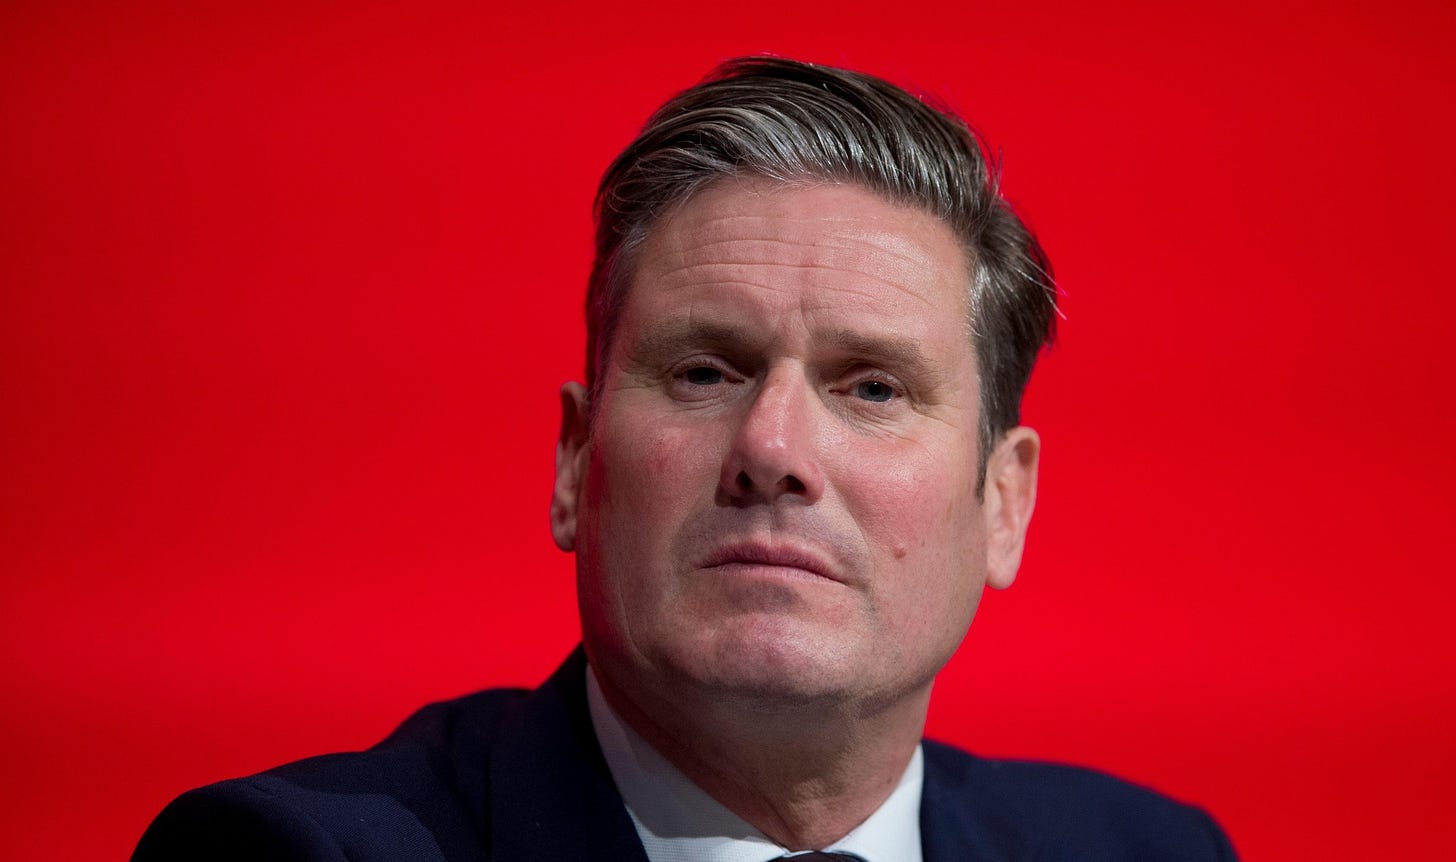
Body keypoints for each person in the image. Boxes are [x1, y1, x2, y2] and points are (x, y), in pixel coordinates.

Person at [134, 56, 1237, 861]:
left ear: (1004, 504)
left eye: (871, 387)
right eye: (707, 371)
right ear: (576, 460)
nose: (772, 448)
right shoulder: (291, 854)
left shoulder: (1152, 851)